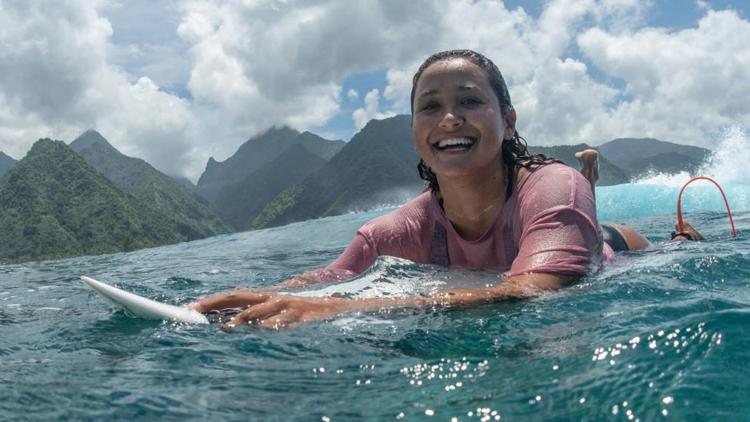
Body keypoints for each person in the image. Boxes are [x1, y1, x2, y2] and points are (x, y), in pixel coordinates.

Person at [189, 49, 697, 329]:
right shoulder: (391, 232)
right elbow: (330, 276)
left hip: (612, 249)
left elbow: (530, 292)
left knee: (630, 250)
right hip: (547, 235)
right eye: (429, 107)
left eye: (470, 101)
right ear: (415, 130)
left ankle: (622, 215)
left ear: (508, 119)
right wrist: (264, 296)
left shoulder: (552, 187)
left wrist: (338, 309)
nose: (449, 117)